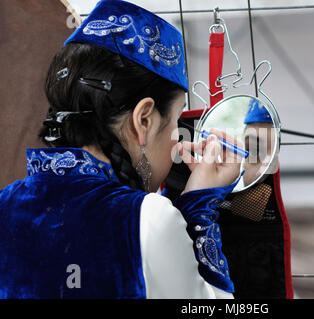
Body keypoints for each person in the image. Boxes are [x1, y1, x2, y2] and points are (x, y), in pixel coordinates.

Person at [0, 0, 242, 299]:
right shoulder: (147, 218)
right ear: (144, 119)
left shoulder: (5, 204)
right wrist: (199, 209)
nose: (178, 140)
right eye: (177, 120)